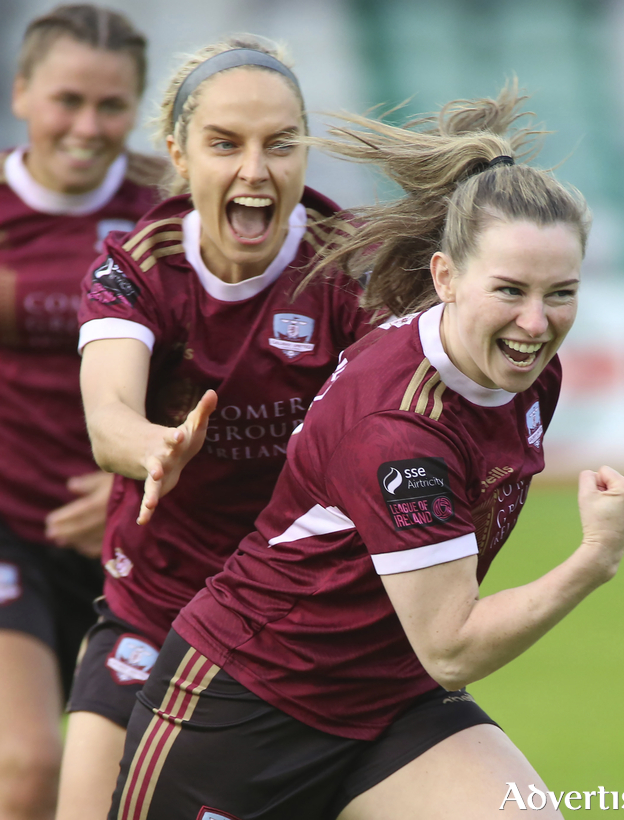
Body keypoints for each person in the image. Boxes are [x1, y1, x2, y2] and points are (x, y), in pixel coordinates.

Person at [108, 87, 624, 820]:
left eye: (562, 293)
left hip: (392, 701)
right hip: (247, 709)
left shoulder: (526, 369)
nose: (535, 322)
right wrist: (595, 559)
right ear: (445, 279)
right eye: (510, 290)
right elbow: (453, 648)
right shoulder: (400, 430)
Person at [58, 35, 373, 820]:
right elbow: (108, 419)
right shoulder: (136, 267)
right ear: (178, 152)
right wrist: (154, 448)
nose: (255, 170)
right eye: (225, 144)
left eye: (280, 143)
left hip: (298, 631)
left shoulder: (353, 271)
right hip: (156, 603)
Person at [0, 5, 163, 820]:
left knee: (131, 791)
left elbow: (218, 375)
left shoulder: (167, 216)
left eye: (111, 106)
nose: (87, 126)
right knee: (24, 765)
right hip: (7, 531)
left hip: (136, 536)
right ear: (22, 92)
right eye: (67, 100)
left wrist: (133, 477)